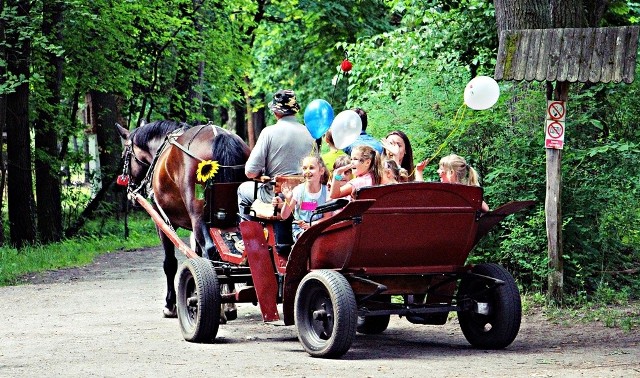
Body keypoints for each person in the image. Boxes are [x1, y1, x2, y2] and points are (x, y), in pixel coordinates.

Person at [237, 89, 315, 215]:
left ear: (275, 112)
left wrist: (261, 172)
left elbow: (250, 172)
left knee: (242, 189)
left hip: (275, 197)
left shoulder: (268, 133)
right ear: (295, 111)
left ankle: (250, 232)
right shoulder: (310, 134)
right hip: (303, 196)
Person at [271, 154, 331, 241]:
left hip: (318, 227)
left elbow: (327, 217)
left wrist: (311, 225)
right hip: (300, 229)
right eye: (304, 168)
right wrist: (288, 199)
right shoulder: (299, 190)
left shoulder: (326, 191)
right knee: (308, 239)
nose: (307, 171)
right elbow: (284, 216)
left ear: (321, 171)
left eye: (311, 168)